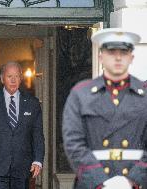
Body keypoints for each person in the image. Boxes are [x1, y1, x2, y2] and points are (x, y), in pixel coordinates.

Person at [62, 28, 147, 189]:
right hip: (93, 182)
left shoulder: (144, 96)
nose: (117, 58)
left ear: (131, 57)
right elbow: (73, 143)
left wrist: (132, 180)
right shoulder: (81, 94)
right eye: (111, 52)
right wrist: (100, 181)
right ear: (101, 57)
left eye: (123, 52)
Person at [0, 62, 45, 189]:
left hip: (23, 167)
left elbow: (38, 135)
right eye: (9, 76)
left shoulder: (32, 103)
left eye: (16, 76)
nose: (13, 80)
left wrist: (38, 160)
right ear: (2, 79)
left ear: (21, 78)